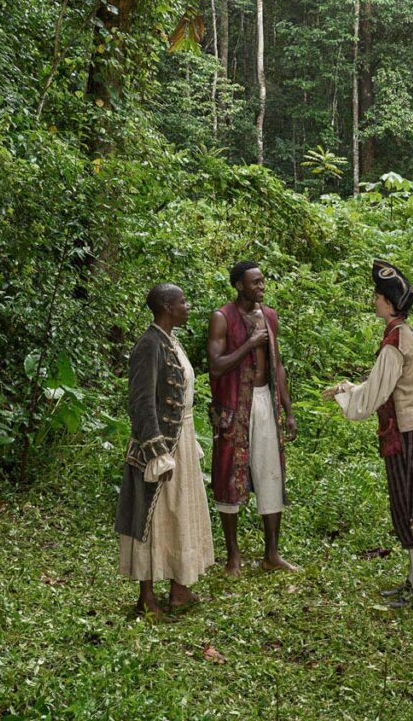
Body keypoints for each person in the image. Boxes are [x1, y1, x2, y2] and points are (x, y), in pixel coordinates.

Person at [323, 260, 413, 608]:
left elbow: (376, 393)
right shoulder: (406, 332)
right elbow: (382, 385)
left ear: (389, 302)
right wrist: (347, 388)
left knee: (408, 503)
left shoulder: (394, 342)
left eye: (377, 296)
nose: (374, 301)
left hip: (406, 432)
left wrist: (345, 396)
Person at [116, 284, 214, 617]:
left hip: (181, 437)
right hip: (160, 443)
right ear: (167, 307)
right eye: (183, 301)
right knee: (152, 516)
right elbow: (141, 402)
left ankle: (179, 588)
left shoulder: (171, 341)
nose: (188, 306)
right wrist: (156, 450)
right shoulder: (149, 345)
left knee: (179, 513)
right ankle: (146, 596)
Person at [207, 261, 298, 575]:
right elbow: (216, 366)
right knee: (228, 475)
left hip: (264, 401)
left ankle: (271, 553)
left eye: (262, 281)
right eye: (255, 282)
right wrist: (249, 344)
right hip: (234, 407)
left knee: (271, 473)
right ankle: (233, 556)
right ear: (239, 285)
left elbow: (278, 365)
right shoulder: (222, 317)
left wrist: (288, 410)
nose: (262, 286)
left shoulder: (269, 316)